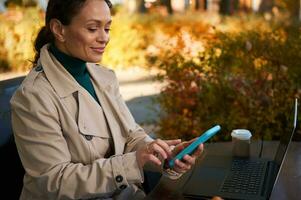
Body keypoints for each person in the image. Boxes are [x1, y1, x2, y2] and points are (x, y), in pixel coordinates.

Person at [10, 0, 204, 199]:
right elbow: (53, 182)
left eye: (107, 28)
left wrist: (161, 155)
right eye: (93, 28)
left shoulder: (104, 77)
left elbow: (130, 135)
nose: (104, 38)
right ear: (59, 29)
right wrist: (133, 162)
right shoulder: (33, 97)